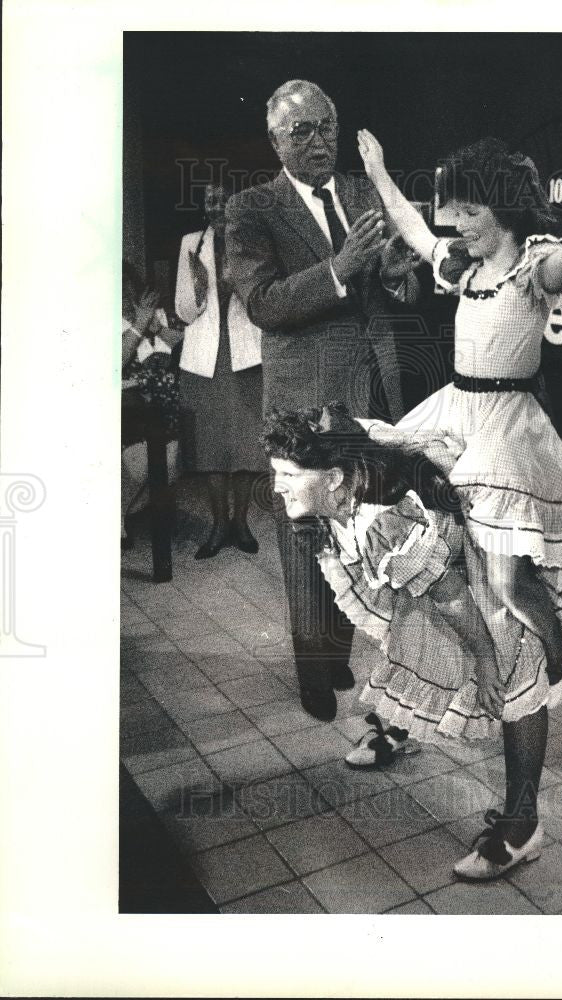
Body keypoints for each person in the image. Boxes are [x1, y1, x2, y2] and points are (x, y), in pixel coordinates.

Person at [356, 130, 562, 677]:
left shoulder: (533, 267)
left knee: (506, 580)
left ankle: (554, 658)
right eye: (455, 212)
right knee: (429, 546)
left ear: (503, 210)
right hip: (456, 413)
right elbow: (416, 231)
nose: (457, 224)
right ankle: (467, 665)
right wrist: (378, 173)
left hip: (508, 429)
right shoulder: (466, 267)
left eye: (469, 212)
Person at [262, 403, 561, 882]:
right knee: (410, 636)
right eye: (276, 472)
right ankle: (402, 727)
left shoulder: (384, 524)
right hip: (430, 561)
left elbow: (452, 597)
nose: (276, 486)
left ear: (336, 479)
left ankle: (523, 827)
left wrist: (485, 660)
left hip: (477, 554)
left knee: (511, 670)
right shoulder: (339, 485)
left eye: (289, 475)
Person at [225, 80, 421, 722]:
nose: (317, 142)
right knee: (307, 532)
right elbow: (264, 305)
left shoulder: (366, 192)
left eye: (326, 129)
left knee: (358, 526)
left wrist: (395, 271)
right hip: (303, 406)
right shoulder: (251, 209)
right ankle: (314, 667)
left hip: (370, 392)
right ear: (276, 141)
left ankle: (337, 649)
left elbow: (407, 287)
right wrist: (340, 267)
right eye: (300, 131)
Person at [175, 184, 264, 559]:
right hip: (205, 360)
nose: (216, 207)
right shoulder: (191, 243)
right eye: (210, 201)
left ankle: (240, 523)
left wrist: (240, 286)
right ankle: (217, 524)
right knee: (211, 449)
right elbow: (182, 311)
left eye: (223, 200)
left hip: (246, 357)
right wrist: (196, 290)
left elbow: (265, 305)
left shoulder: (256, 243)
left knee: (245, 448)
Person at [121, 261, 183, 548]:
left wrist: (155, 325)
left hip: (164, 402)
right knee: (137, 461)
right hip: (128, 404)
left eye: (126, 285)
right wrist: (138, 325)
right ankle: (120, 514)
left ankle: (140, 507)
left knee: (171, 459)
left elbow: (177, 346)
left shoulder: (155, 313)